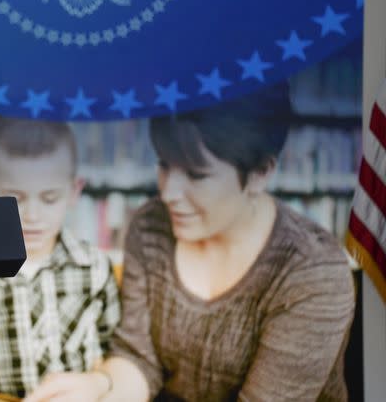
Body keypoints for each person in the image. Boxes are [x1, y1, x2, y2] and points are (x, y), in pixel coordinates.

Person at [26, 83, 356, 401]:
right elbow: (140, 361)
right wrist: (99, 385)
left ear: (260, 173)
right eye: (164, 165)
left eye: (197, 175)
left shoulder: (313, 272)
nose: (168, 193)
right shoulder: (150, 228)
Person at [0, 118, 121, 399]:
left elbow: (117, 361)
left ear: (75, 191)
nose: (32, 215)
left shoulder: (96, 268)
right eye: (15, 198)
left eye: (49, 198)